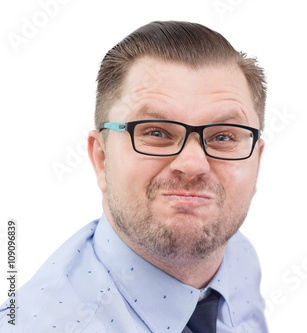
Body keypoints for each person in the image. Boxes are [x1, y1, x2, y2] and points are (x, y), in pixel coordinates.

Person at [1, 21, 268, 332]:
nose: (194, 164)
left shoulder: (239, 257)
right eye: (156, 132)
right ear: (101, 158)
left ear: (257, 162)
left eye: (223, 137)